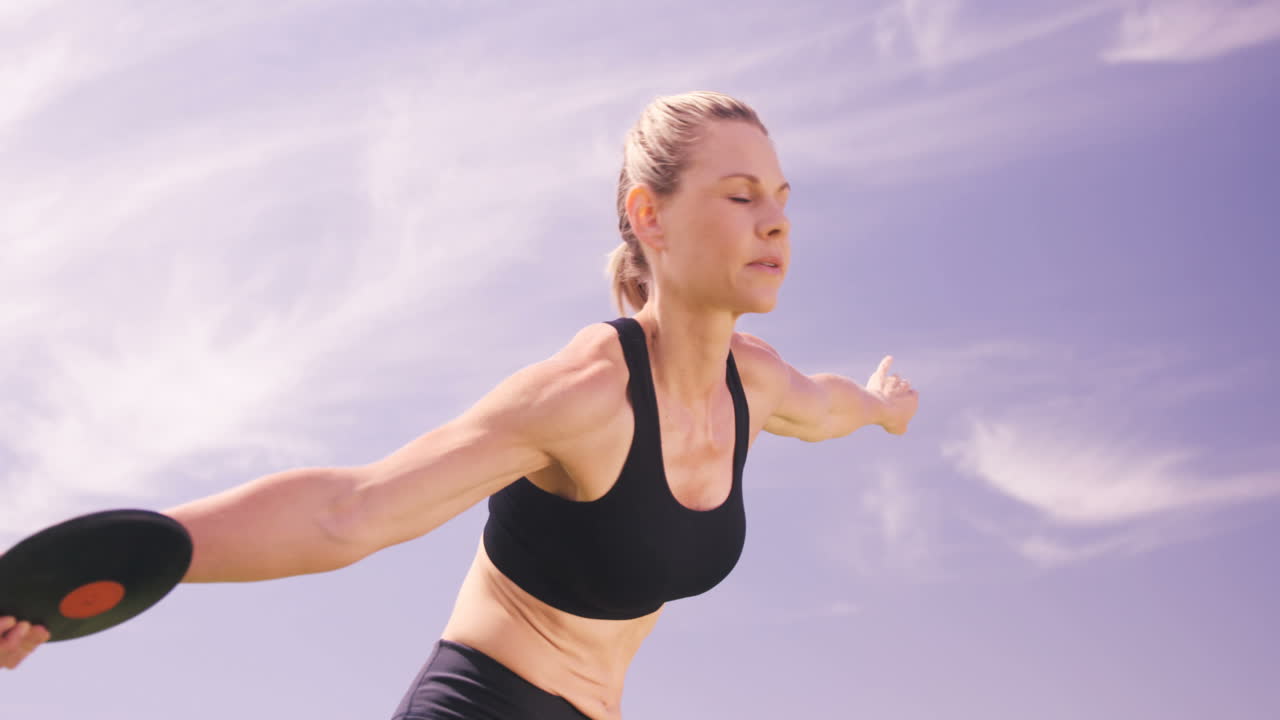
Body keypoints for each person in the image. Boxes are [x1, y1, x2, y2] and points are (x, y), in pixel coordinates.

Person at [0, 90, 919, 719]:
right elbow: (348, 512)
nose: (775, 221)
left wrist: (882, 407)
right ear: (649, 215)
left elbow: (827, 405)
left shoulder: (753, 384)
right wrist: (127, 554)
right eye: (741, 194)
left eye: (783, 200)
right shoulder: (587, 395)